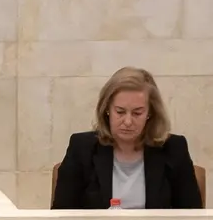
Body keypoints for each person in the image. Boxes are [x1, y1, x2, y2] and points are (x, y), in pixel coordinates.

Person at [51, 67, 202, 210]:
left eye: (137, 113)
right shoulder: (81, 148)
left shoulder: (174, 149)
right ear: (107, 110)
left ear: (150, 113)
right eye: (120, 112)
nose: (128, 121)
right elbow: (62, 218)